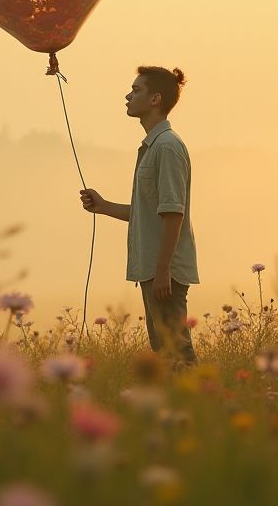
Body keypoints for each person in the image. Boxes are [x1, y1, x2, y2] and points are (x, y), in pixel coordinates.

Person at [80, 66, 198, 365]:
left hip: (164, 272)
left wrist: (163, 271)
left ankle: (200, 395)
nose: (128, 96)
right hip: (155, 269)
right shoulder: (153, 146)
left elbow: (173, 213)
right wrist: (104, 206)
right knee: (166, 353)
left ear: (155, 99)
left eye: (136, 90)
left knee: (176, 352)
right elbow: (149, 213)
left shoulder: (167, 147)